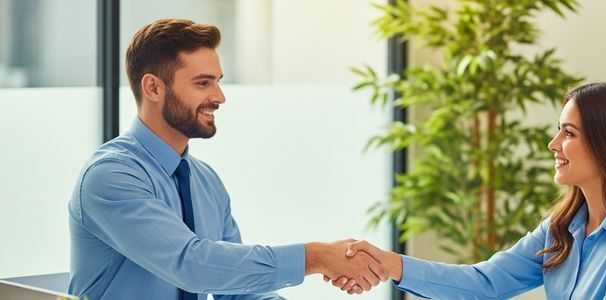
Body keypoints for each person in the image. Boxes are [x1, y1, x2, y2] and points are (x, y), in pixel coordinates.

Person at [67, 19, 386, 300]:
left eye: (218, 81)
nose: (219, 96)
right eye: (203, 83)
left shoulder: (205, 181)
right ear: (153, 88)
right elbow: (191, 265)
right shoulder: (111, 175)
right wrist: (316, 257)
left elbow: (235, 290)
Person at [330, 81, 606, 299]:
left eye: (569, 133)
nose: (553, 144)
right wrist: (390, 264)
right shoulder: (563, 227)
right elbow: (485, 283)